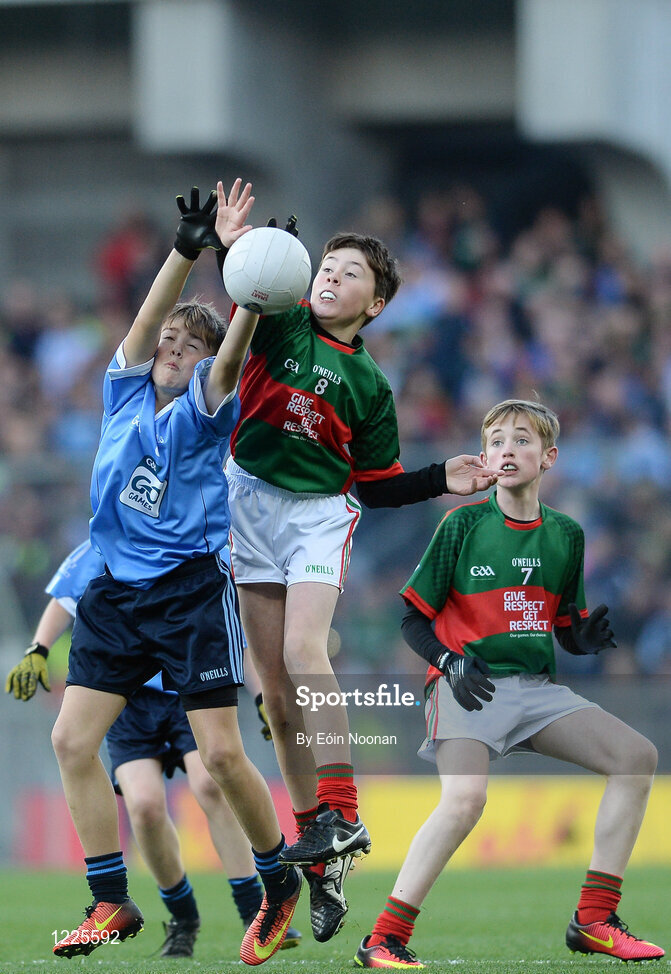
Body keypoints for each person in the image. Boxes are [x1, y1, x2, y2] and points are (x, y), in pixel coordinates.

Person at [215, 219, 498, 943]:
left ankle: (341, 809)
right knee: (273, 696)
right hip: (245, 500)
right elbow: (251, 287)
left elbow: (374, 487)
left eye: (350, 273)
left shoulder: (369, 384)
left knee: (307, 653)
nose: (330, 277)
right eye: (327, 265)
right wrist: (235, 245)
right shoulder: (283, 328)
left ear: (374, 305)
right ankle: (321, 853)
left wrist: (441, 478)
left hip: (316, 515)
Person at [42, 179, 302, 966]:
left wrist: (245, 281)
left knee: (221, 760)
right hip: (115, 596)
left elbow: (230, 351)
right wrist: (186, 249)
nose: (171, 351)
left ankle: (275, 879)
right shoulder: (122, 395)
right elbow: (148, 320)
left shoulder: (205, 406)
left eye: (188, 348)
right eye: (168, 345)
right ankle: (111, 900)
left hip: (188, 593)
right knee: (69, 740)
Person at [355, 398, 664, 968]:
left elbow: (562, 625)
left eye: (521, 440)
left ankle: (593, 920)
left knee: (636, 757)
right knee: (466, 800)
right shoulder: (463, 522)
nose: (506, 449)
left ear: (548, 458)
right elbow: (412, 619)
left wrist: (582, 639)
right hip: (466, 683)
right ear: (484, 456)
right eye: (496, 440)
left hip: (534, 690)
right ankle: (383, 938)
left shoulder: (567, 534)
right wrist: (449, 664)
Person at [5, 538, 302, 958]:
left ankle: (255, 904)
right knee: (143, 807)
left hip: (183, 691)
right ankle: (182, 919)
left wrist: (262, 696)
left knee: (211, 783)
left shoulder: (198, 542)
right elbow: (65, 596)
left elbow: (240, 633)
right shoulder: (112, 532)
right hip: (127, 701)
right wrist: (38, 647)